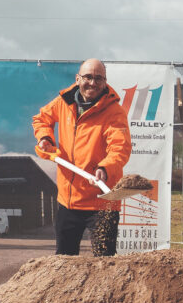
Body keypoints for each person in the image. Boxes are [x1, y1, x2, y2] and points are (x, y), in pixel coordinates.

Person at [32, 58, 131, 256]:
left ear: (105, 82)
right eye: (88, 77)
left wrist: (104, 168)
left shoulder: (114, 112)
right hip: (69, 201)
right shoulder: (63, 102)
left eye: (98, 78)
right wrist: (45, 138)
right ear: (78, 79)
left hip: (102, 202)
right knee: (64, 261)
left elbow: (120, 148)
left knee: (105, 261)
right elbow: (42, 119)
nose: (93, 83)